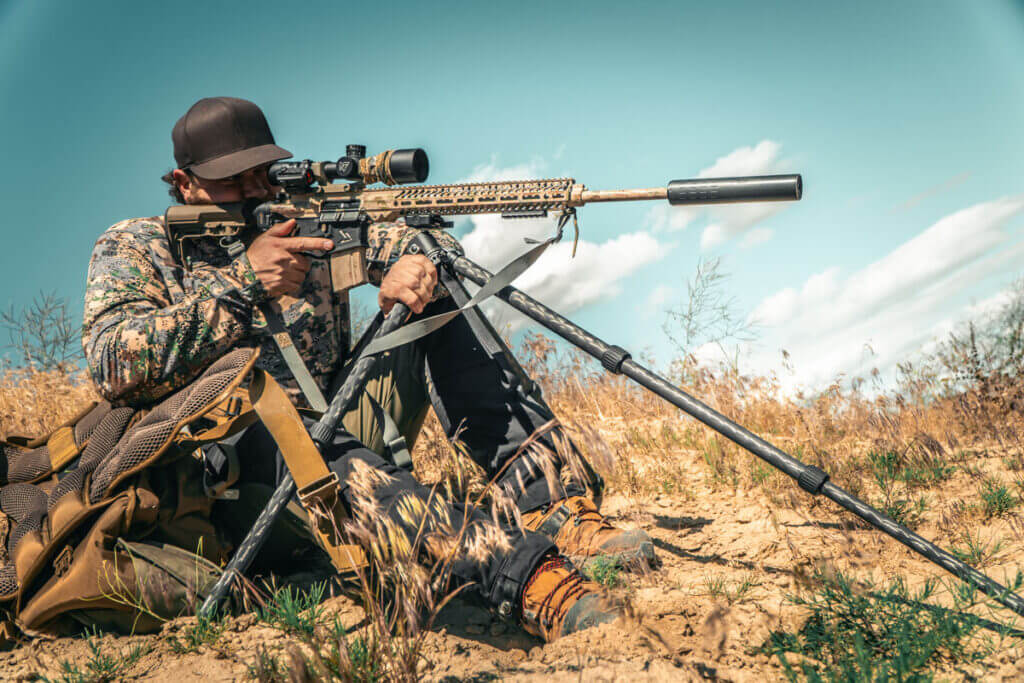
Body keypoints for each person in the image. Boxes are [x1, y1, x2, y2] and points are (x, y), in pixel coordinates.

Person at [81, 96, 655, 640]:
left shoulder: (304, 222)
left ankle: (551, 504)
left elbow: (399, 236)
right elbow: (112, 362)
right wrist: (242, 288)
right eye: (233, 179)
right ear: (184, 183)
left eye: (263, 172)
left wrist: (413, 265)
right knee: (305, 441)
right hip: (230, 470)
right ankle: (529, 578)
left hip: (338, 425)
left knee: (443, 295)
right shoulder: (139, 245)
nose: (254, 190)